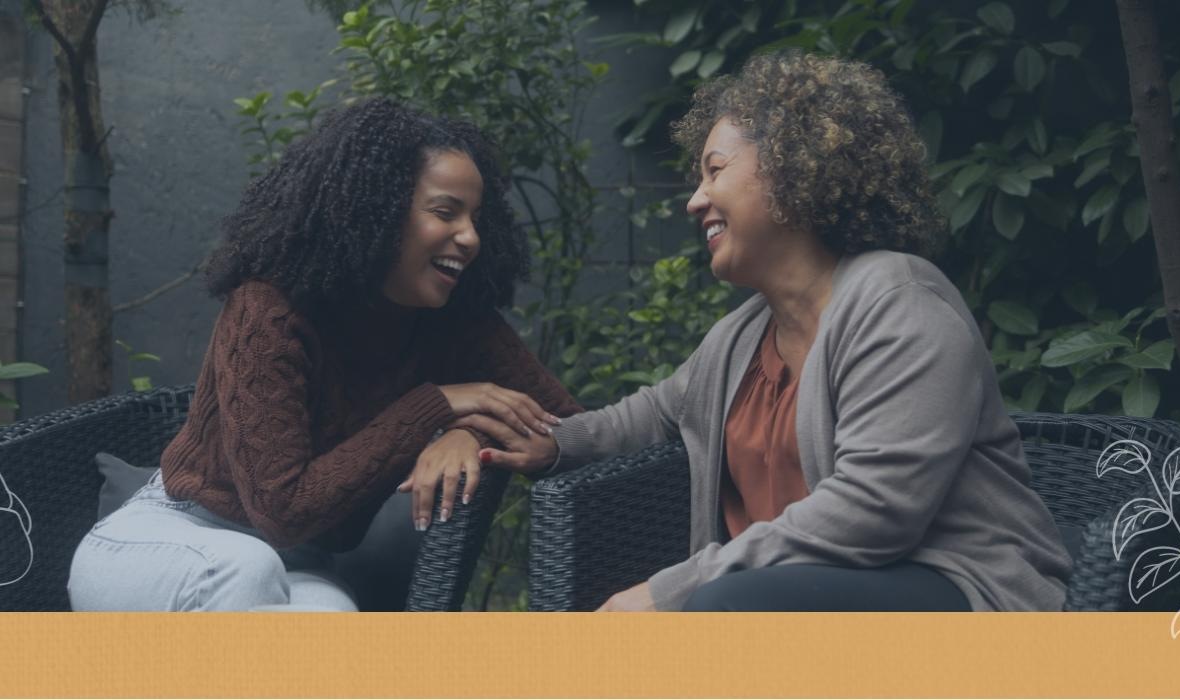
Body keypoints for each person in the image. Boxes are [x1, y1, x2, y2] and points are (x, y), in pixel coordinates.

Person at [457, 52, 1072, 612]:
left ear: (790, 168)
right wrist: (550, 442)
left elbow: (874, 513)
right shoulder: (739, 338)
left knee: (726, 609)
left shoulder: (900, 303)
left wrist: (667, 591)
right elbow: (647, 417)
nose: (695, 201)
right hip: (788, 592)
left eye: (715, 170)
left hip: (960, 593)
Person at [68, 99, 580, 611]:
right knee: (246, 567)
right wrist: (436, 406)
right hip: (163, 540)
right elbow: (281, 509)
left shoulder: (457, 324)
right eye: (446, 212)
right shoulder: (269, 310)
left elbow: (573, 426)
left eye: (475, 218)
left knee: (330, 615)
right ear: (377, 210)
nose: (469, 237)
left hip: (297, 563)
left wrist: (472, 432)